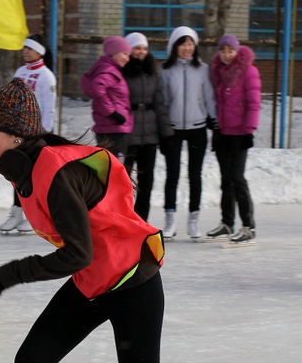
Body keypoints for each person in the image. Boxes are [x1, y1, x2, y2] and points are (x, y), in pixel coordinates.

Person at [0, 78, 275, 363]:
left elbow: (77, 253)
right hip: (96, 281)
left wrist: (11, 274)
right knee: (32, 362)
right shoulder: (27, 168)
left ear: (15, 136)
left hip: (132, 280)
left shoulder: (54, 173)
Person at [158, 26, 218, 240]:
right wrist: (163, 129)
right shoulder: (165, 70)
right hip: (173, 129)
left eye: (191, 44)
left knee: (195, 175)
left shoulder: (203, 69)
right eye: (183, 44)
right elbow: (162, 101)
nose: (187, 48)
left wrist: (213, 120)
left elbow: (209, 97)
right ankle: (170, 219)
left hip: (197, 128)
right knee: (172, 175)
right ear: (174, 46)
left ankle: (194, 220)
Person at [0, 34, 57, 234]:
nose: (25, 51)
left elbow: (49, 108)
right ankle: (17, 213)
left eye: (29, 48)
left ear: (39, 51)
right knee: (17, 173)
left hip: (37, 134)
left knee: (34, 176)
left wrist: (44, 133)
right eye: (24, 48)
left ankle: (37, 216)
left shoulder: (46, 76)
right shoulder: (20, 72)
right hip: (18, 131)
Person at [206, 34, 261, 244]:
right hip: (222, 133)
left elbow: (253, 103)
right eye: (223, 51)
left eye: (230, 51)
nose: (226, 55)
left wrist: (249, 130)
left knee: (238, 179)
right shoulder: (217, 71)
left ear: (237, 51)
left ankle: (248, 226)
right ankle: (227, 222)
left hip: (240, 133)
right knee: (226, 180)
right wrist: (214, 123)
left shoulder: (249, 71)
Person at [122, 32, 173, 221]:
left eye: (144, 48)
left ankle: (141, 220)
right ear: (129, 50)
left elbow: (160, 104)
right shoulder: (122, 71)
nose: (141, 52)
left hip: (150, 135)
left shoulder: (153, 72)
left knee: (146, 181)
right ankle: (123, 218)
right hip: (129, 133)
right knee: (124, 180)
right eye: (137, 48)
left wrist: (166, 134)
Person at [80, 35, 133, 159]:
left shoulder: (107, 68)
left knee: (108, 164)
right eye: (125, 54)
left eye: (129, 55)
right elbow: (96, 88)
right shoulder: (109, 70)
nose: (127, 59)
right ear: (113, 53)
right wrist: (112, 113)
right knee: (114, 165)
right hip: (114, 127)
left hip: (110, 125)